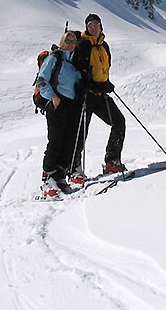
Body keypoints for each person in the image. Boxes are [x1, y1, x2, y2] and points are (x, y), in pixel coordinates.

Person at [73, 13, 127, 173]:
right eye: (90, 25)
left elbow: (105, 68)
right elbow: (79, 71)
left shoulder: (104, 46)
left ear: (101, 26)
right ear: (86, 28)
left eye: (95, 24)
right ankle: (74, 168)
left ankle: (112, 161)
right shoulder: (82, 45)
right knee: (81, 132)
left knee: (119, 122)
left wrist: (105, 83)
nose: (93, 27)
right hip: (86, 95)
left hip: (101, 94)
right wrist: (94, 85)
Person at [34, 30, 85, 189]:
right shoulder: (54, 58)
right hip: (56, 104)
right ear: (62, 42)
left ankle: (59, 175)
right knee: (55, 141)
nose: (70, 44)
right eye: (68, 41)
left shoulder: (72, 65)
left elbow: (78, 84)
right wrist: (53, 97)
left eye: (73, 42)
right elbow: (41, 80)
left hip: (69, 106)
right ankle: (48, 177)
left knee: (68, 141)